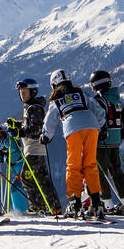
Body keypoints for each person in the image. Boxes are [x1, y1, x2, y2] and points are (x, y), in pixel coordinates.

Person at [40, 69, 107, 219]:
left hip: (73, 128)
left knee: (74, 166)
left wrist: (45, 136)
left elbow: (50, 120)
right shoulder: (81, 93)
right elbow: (97, 107)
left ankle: (74, 203)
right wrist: (103, 126)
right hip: (92, 126)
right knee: (90, 165)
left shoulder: (56, 99)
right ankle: (96, 203)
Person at [9, 78, 60, 214]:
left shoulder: (35, 108)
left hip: (34, 149)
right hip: (34, 149)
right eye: (20, 92)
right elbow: (29, 125)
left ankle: (37, 207)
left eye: (24, 92)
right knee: (42, 179)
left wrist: (19, 131)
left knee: (26, 178)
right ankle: (54, 207)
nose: (22, 94)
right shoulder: (30, 108)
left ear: (33, 92)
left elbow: (36, 129)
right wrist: (16, 125)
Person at [89, 70, 124, 214]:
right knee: (116, 172)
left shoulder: (98, 101)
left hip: (101, 142)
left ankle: (107, 204)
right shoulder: (116, 101)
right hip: (115, 141)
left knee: (101, 172)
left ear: (96, 85)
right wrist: (120, 137)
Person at [0, 123, 30, 212]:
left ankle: (38, 207)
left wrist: (4, 156)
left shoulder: (7, 140)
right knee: (15, 188)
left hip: (25, 170)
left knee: (28, 187)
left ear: (0, 134)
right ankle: (21, 211)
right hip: (18, 173)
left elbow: (14, 152)